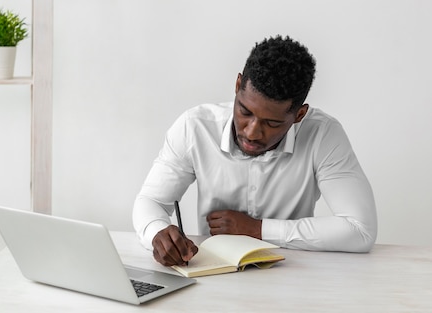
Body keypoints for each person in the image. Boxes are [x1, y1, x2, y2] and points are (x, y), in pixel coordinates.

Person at [132, 35, 377, 267]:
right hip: (211, 274)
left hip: (293, 278)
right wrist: (157, 233)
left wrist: (257, 229)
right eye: (245, 112)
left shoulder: (323, 134)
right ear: (238, 85)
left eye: (272, 123)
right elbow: (151, 200)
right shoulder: (194, 127)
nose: (252, 132)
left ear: (299, 115)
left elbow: (360, 230)